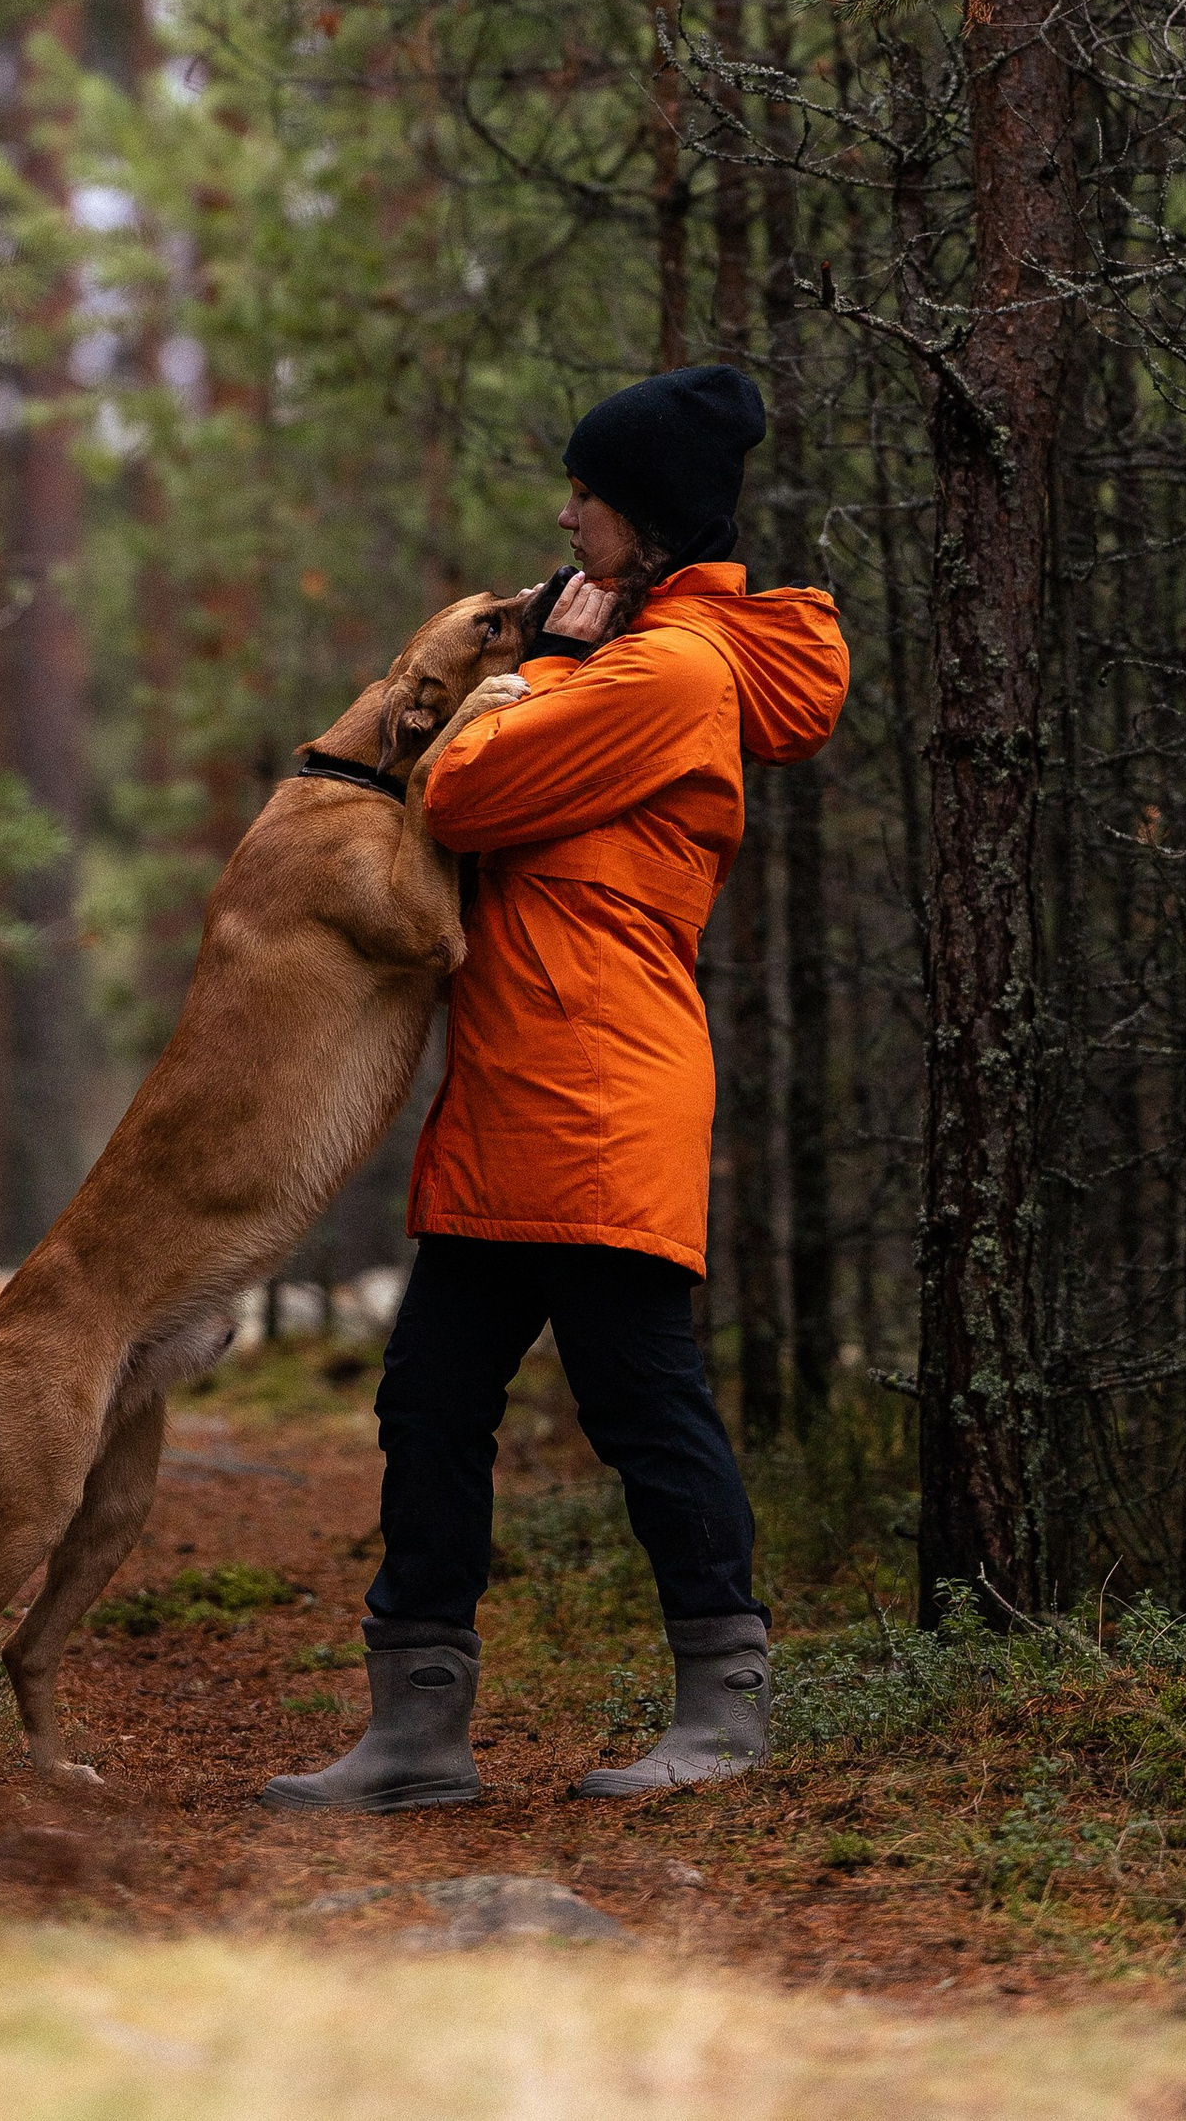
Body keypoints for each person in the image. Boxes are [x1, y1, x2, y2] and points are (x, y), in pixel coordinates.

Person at [263, 360, 848, 1816]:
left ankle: (724, 1713)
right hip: (518, 1093)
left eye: (588, 496)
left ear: (647, 517)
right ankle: (417, 1733)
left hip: (599, 1095)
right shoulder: (639, 656)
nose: (567, 519)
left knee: (644, 1409)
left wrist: (546, 669)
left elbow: (464, 794)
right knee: (430, 1401)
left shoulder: (669, 671)